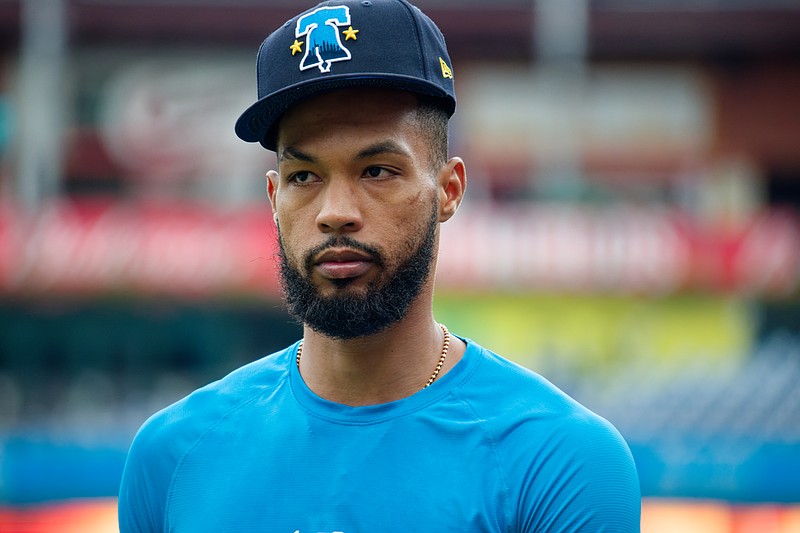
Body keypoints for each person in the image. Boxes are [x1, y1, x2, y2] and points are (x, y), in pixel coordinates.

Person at [118, 0, 641, 531]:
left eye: (377, 171)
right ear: (273, 197)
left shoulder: (558, 460)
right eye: (304, 176)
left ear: (448, 189)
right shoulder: (172, 457)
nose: (335, 213)